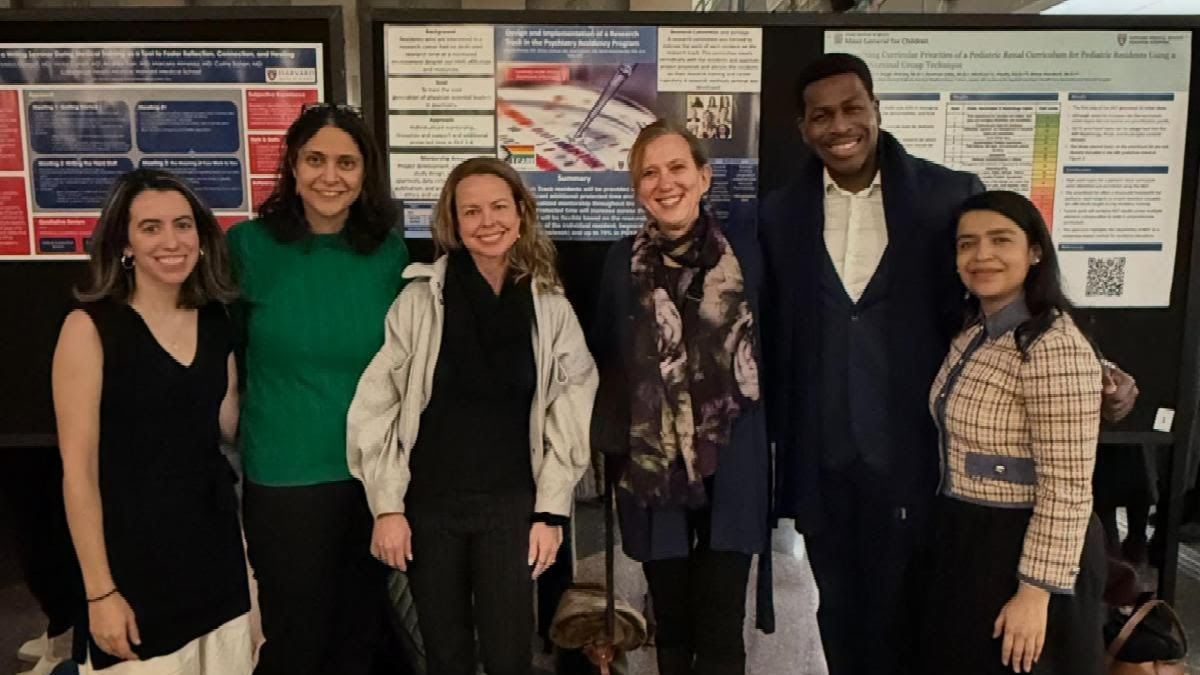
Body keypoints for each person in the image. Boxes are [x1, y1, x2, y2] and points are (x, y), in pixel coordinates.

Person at [757, 53, 984, 675]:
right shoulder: (779, 215)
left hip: (913, 449)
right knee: (837, 611)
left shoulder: (948, 195)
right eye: (821, 115)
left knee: (908, 610)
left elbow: (1001, 295)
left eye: (852, 108)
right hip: (823, 454)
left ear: (876, 110)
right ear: (803, 129)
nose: (839, 125)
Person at [346, 157, 596, 675]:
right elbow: (376, 406)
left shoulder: (550, 307)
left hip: (510, 509)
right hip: (430, 509)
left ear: (522, 214)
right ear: (453, 224)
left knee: (510, 655)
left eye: (500, 207)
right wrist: (386, 506)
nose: (488, 221)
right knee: (445, 655)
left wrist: (551, 511)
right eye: (472, 211)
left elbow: (571, 408)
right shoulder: (419, 302)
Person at [226, 103, 410, 675]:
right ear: (293, 165)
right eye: (316, 160)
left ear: (366, 172)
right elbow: (221, 356)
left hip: (369, 478)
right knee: (296, 638)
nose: (331, 177)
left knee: (358, 634)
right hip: (285, 476)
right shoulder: (248, 247)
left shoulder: (388, 252)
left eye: (347, 163)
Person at [590, 119, 771, 675]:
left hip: (733, 455)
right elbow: (606, 358)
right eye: (649, 172)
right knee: (670, 616)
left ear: (704, 176)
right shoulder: (621, 265)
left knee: (720, 620)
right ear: (636, 188)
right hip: (653, 466)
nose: (664, 182)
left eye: (676, 168)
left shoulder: (750, 257)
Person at [51, 169, 250, 674]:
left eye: (183, 225)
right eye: (151, 227)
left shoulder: (215, 320)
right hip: (132, 567)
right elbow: (78, 475)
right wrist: (101, 593)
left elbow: (230, 428)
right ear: (125, 243)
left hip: (214, 557)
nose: (171, 241)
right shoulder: (89, 329)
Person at [920, 190, 1106, 674]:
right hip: (970, 538)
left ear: (1035, 251)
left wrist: (1034, 593)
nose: (982, 256)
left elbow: (1067, 487)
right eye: (967, 244)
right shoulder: (976, 332)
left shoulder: (1053, 346)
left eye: (1001, 240)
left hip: (1026, 550)